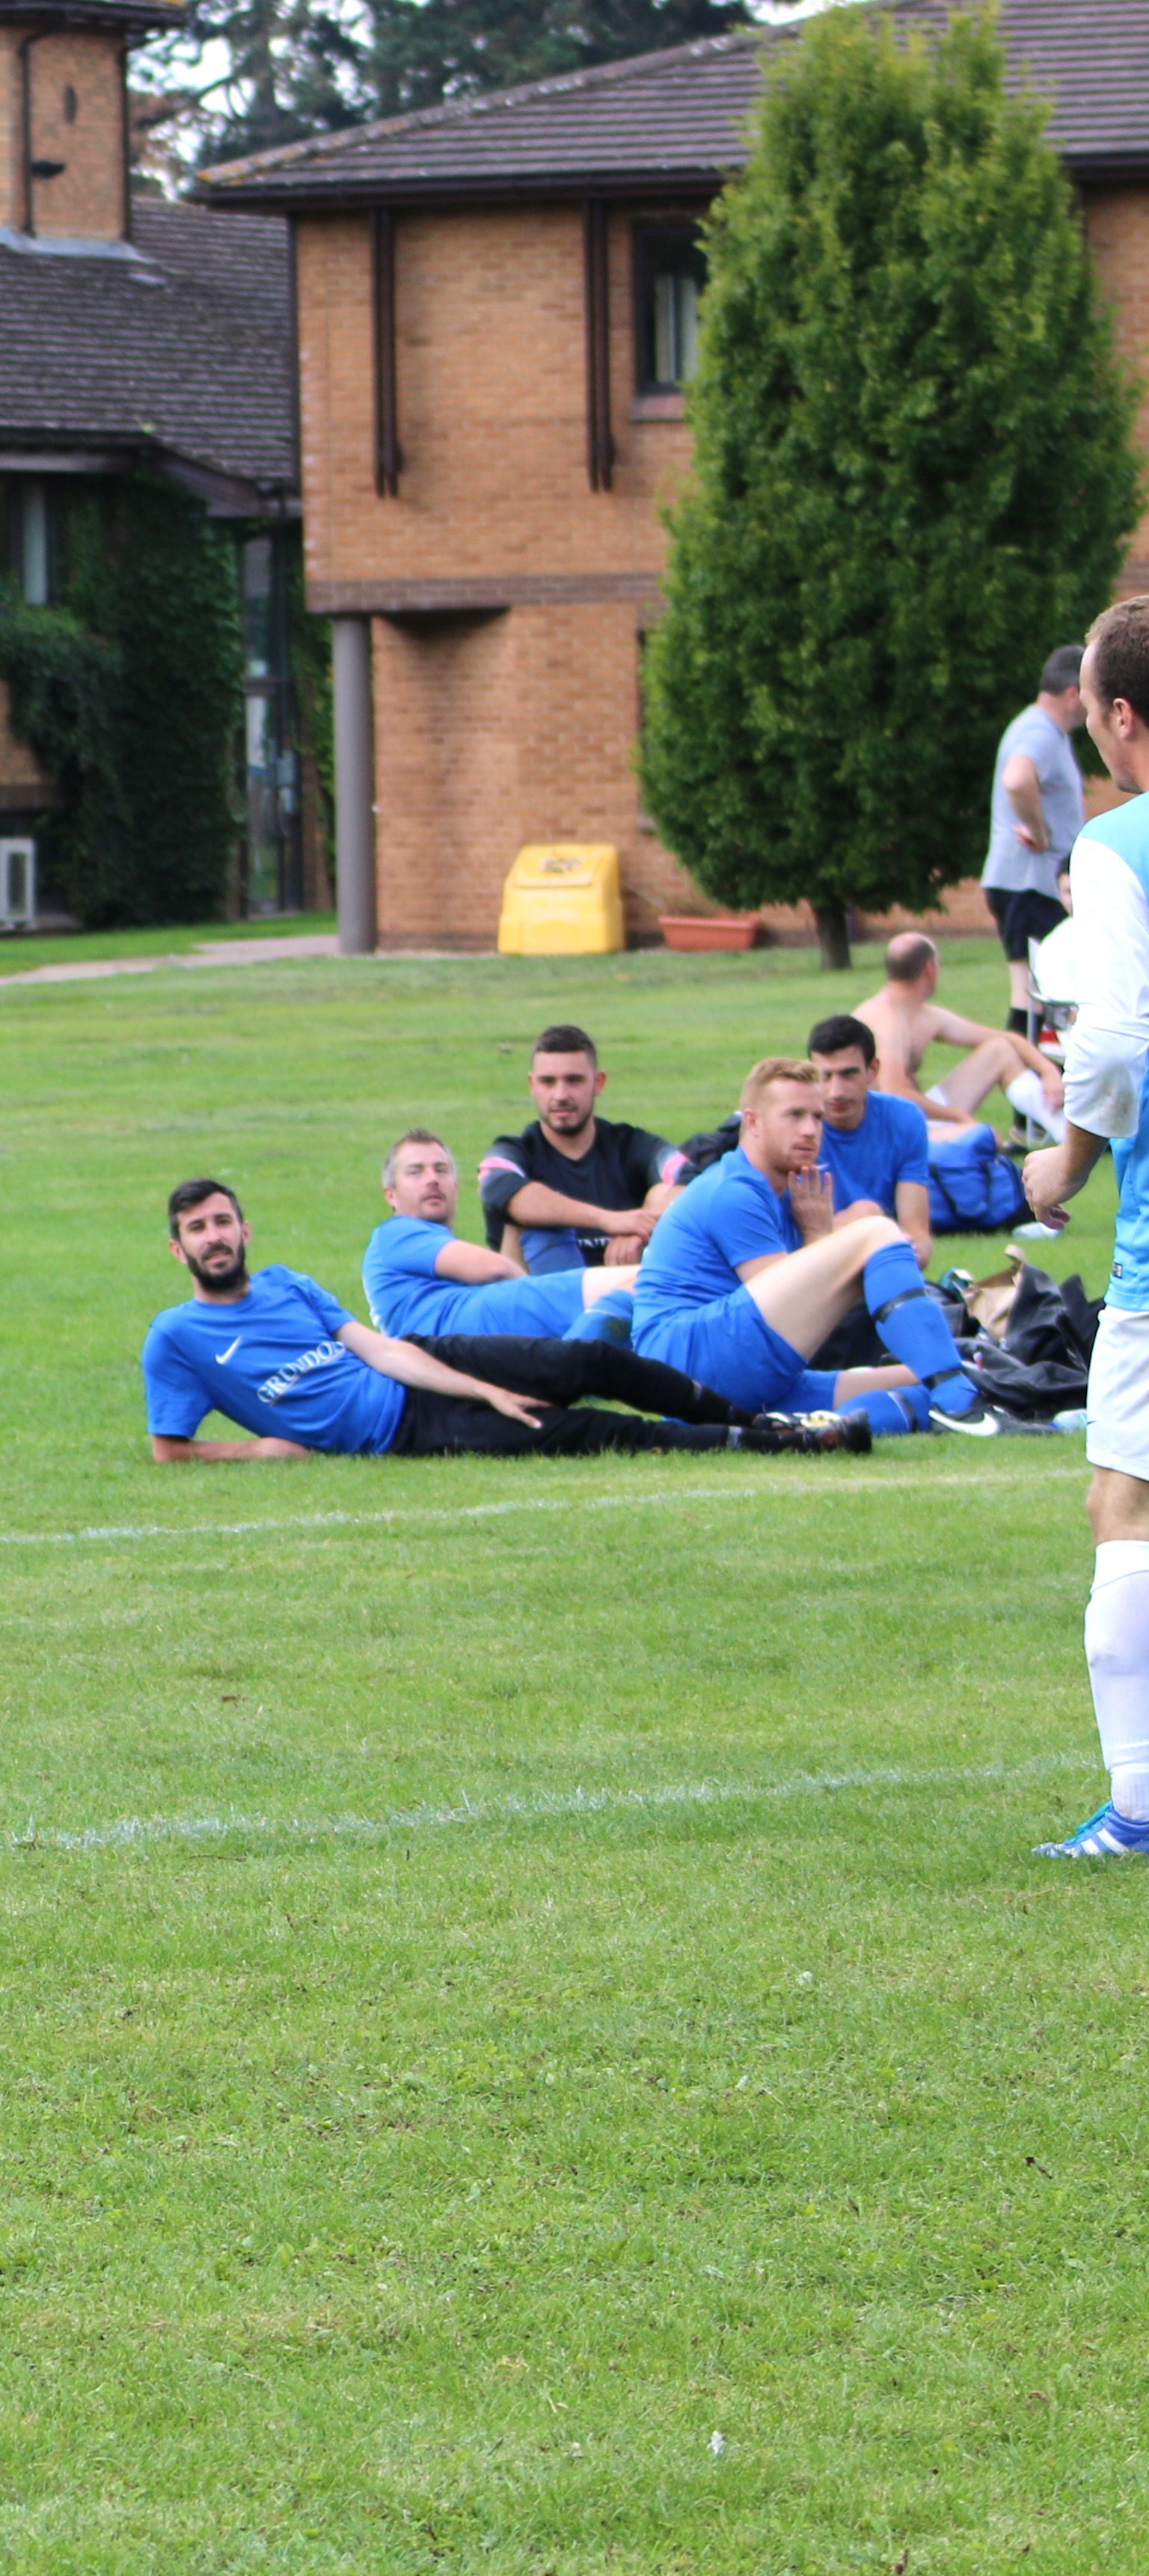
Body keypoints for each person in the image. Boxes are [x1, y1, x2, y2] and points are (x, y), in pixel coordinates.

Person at [145, 1179, 857, 1462]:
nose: (214, 1237)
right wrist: (260, 1451)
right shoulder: (176, 1338)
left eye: (224, 1223)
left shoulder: (286, 1285)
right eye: (199, 1229)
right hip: (404, 1432)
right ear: (179, 1249)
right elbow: (169, 1451)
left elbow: (381, 1351)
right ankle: (766, 1445)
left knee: (583, 1365)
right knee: (590, 1431)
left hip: (428, 1360)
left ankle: (765, 1420)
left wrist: (479, 1385)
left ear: (246, 1230)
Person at [1014, 598, 1149, 1853]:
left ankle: (1137, 1803)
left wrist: (1067, 1156)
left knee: (1127, 1506)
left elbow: (1108, 1040)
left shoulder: (1117, 845)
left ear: (1116, 717)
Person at [628, 1057, 1028, 1437]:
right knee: (877, 1232)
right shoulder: (734, 1190)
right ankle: (960, 1404)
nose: (810, 1130)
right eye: (794, 1116)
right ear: (752, 1122)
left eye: (817, 1117)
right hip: (692, 1357)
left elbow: (789, 1314)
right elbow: (793, 1314)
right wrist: (822, 1238)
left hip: (735, 1370)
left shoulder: (792, 1191)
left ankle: (819, 1426)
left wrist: (821, 1237)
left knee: (925, 1376)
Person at [362, 1130, 640, 1338]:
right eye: (416, 1172)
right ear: (391, 1194)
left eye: (441, 1170)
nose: (432, 1178)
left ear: (456, 1187)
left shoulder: (428, 1281)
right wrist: (541, 1292)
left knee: (538, 1226)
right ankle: (580, 1343)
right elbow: (493, 1268)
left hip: (498, 1340)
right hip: (499, 1331)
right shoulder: (394, 1234)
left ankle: (586, 1344)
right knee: (650, 1280)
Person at [479, 1025, 676, 1274]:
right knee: (524, 1221)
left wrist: (642, 1228)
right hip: (541, 1301)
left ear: (599, 1082)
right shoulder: (514, 1151)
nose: (561, 1095)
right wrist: (611, 1220)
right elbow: (499, 1189)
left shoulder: (632, 1146)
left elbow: (688, 1180)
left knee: (665, 1194)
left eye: (574, 1081)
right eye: (548, 1082)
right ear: (532, 1085)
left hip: (626, 1292)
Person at [985, 645, 1091, 1037]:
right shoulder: (1038, 732)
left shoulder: (1048, 731)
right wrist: (1042, 832)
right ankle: (1028, 1093)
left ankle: (1042, 1085)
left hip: (1031, 885)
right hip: (1029, 883)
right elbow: (1016, 779)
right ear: (1073, 693)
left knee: (1045, 992)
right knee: (1034, 996)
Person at [861, 930, 1062, 1132]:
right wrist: (960, 1117)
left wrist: (1048, 1071)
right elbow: (894, 1094)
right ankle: (1067, 1135)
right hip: (885, 1131)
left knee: (999, 1050)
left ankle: (1065, 1132)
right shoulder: (888, 1023)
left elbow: (1008, 1040)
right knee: (983, 1138)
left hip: (913, 1118)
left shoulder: (922, 1014)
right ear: (930, 968)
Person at [806, 1014, 935, 1239]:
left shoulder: (904, 1119)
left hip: (878, 1250)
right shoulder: (797, 1127)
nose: (836, 1091)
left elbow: (918, 1236)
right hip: (808, 1258)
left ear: (873, 1070)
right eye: (825, 1076)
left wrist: (900, 1253)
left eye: (849, 1074)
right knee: (868, 1213)